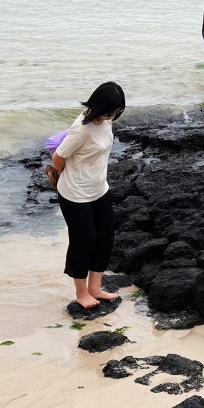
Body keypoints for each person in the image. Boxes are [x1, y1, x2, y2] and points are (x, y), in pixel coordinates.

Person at [43, 82, 125, 309]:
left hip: (99, 189)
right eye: (111, 111)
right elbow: (58, 158)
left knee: (106, 235)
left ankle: (95, 288)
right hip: (75, 194)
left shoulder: (105, 121)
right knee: (84, 241)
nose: (114, 115)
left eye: (118, 111)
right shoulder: (82, 129)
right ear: (99, 107)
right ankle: (81, 293)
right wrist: (65, 177)